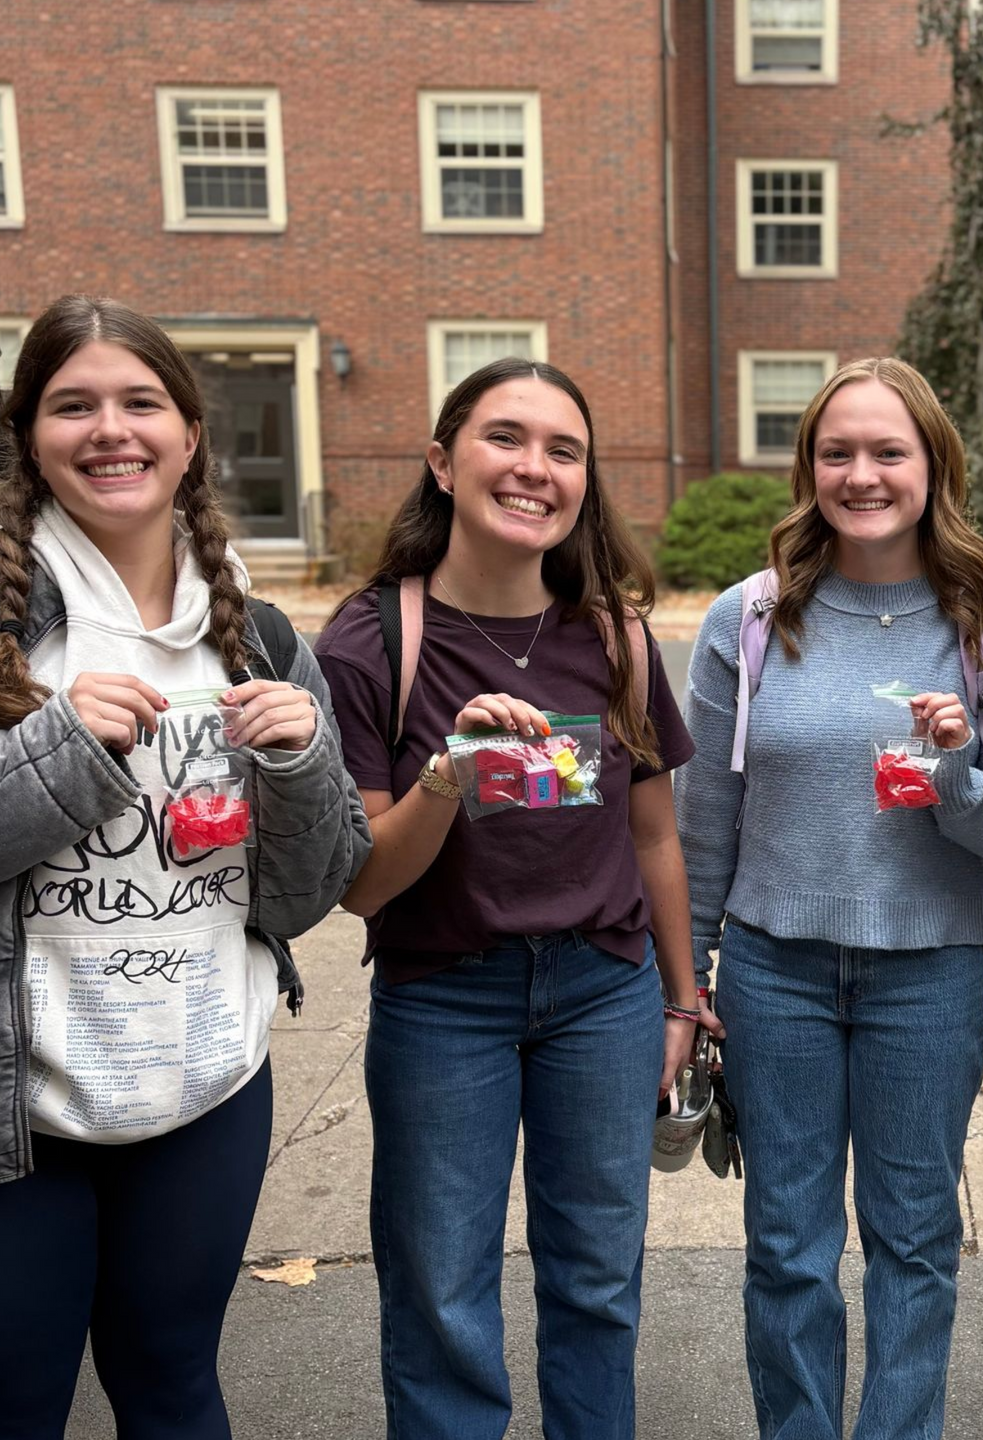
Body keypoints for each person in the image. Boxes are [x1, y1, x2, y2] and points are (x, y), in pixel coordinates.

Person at [0, 293, 370, 1438]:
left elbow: (306, 895)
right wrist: (51, 751)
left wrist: (302, 769)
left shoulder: (257, 636)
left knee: (174, 1389)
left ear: (190, 434)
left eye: (141, 403)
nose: (112, 430)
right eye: (74, 405)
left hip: (202, 1088)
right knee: (8, 1416)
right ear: (26, 434)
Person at [314, 358, 699, 1440]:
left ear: (585, 481)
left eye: (563, 450)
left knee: (598, 1283)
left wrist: (683, 1001)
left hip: (603, 997)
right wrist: (449, 771)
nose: (534, 468)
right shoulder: (370, 643)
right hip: (445, 999)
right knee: (441, 1296)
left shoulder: (615, 637)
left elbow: (655, 834)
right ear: (443, 461)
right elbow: (363, 885)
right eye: (504, 437)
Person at [674, 356, 983, 1439]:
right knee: (788, 1248)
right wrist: (688, 985)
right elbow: (708, 826)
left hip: (928, 977)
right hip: (772, 973)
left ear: (933, 464)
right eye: (837, 451)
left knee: (915, 1241)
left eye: (890, 450)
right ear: (809, 468)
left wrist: (947, 774)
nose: (863, 473)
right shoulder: (747, 620)